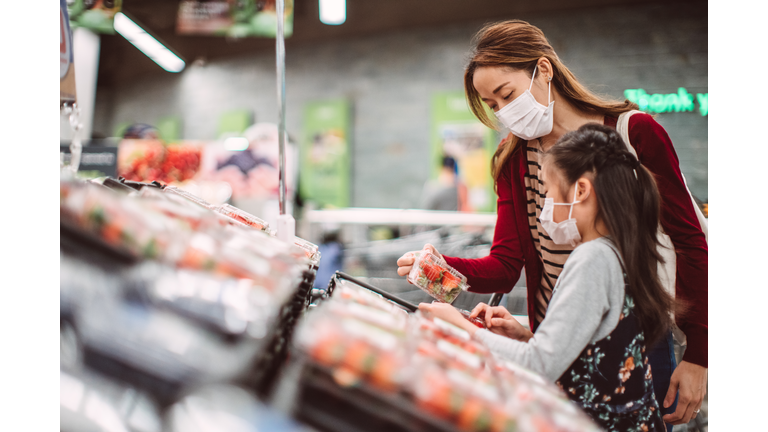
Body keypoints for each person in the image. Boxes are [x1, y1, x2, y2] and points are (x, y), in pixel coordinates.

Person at [396, 20, 707, 428]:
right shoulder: (513, 156)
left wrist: (700, 355)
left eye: (506, 94)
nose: (505, 113)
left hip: (638, 344)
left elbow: (690, 241)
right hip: (554, 345)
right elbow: (507, 263)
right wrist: (442, 270)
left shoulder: (634, 133)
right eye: (492, 105)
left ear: (544, 70)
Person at [420, 124, 673, 430]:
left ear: (580, 190)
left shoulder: (592, 259)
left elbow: (538, 365)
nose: (544, 205)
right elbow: (593, 353)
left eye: (549, 190)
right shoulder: (621, 248)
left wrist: (459, 326)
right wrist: (525, 336)